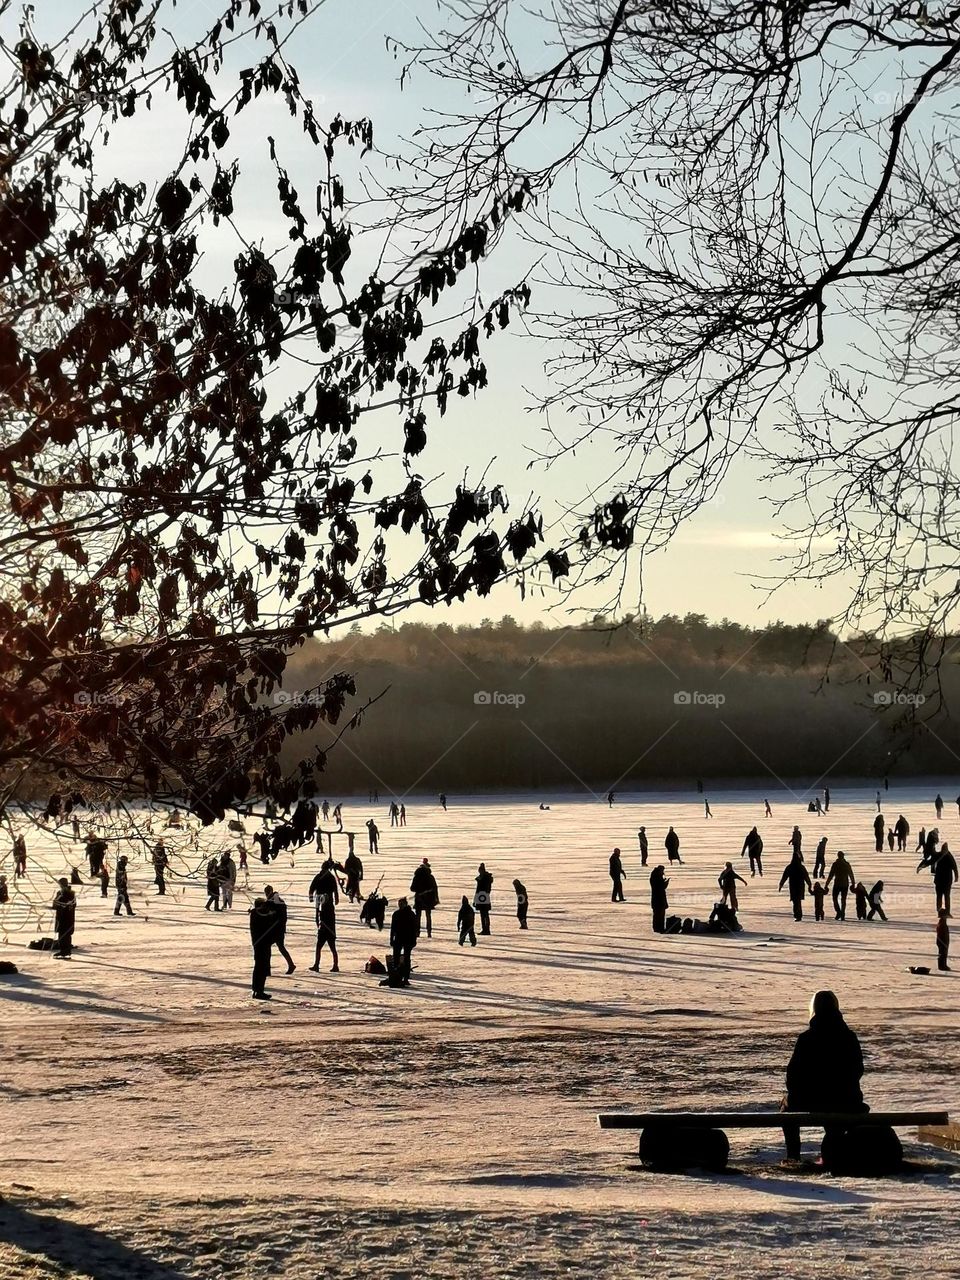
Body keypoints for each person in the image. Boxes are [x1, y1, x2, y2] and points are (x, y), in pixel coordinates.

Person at [781, 991, 866, 1161]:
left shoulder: (806, 1039)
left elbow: (793, 1075)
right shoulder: (849, 1037)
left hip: (811, 1099)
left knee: (786, 1108)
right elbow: (858, 1070)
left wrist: (802, 1091)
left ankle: (793, 1156)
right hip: (846, 1100)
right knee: (838, 1116)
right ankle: (834, 1152)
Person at [308, 860, 340, 972]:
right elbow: (336, 892)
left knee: (319, 945)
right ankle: (335, 965)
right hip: (329, 910)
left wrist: (311, 898)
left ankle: (317, 965)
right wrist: (336, 899)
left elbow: (311, 889)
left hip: (322, 909)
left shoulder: (319, 876)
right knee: (332, 945)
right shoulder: (331, 878)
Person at [249, 897, 278, 1000]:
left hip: (262, 944)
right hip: (261, 944)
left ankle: (258, 990)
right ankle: (258, 991)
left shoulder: (256, 914)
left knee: (261, 967)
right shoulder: (257, 915)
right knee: (260, 968)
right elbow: (268, 917)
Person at [264, 884, 296, 973]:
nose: (266, 895)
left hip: (276, 929)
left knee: (269, 947)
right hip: (279, 929)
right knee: (280, 947)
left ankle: (267, 968)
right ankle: (290, 964)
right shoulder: (278, 901)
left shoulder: (273, 902)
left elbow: (268, 912)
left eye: (266, 893)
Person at [390, 896, 418, 983]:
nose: (400, 905)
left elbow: (414, 929)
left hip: (407, 939)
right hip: (399, 939)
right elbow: (393, 928)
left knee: (405, 958)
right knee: (397, 958)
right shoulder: (397, 914)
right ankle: (397, 976)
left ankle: (405, 977)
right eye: (399, 904)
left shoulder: (410, 914)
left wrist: (414, 940)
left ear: (405, 904)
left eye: (401, 904)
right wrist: (391, 939)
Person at [410, 858, 439, 938]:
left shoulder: (416, 877)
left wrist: (419, 890)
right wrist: (436, 899)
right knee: (428, 915)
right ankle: (429, 932)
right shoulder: (430, 877)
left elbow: (412, 888)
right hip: (428, 898)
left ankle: (417, 932)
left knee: (418, 916)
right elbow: (435, 888)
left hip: (418, 898)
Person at [779, 854, 812, 922]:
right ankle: (798, 915)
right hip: (800, 886)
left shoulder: (790, 867)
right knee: (798, 901)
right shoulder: (801, 867)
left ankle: (797, 915)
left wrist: (781, 884)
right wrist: (809, 884)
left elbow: (784, 877)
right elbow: (806, 877)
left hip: (793, 886)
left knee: (795, 901)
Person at [825, 850, 856, 921]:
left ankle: (839, 912)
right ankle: (842, 914)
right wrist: (853, 884)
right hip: (845, 884)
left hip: (838, 884)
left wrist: (827, 884)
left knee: (835, 898)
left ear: (838, 856)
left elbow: (831, 875)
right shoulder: (846, 864)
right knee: (843, 900)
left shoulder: (835, 864)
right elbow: (851, 874)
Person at [52, 878, 76, 959]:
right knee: (65, 935)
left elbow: (57, 904)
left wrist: (56, 903)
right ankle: (65, 951)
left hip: (64, 918)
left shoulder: (65, 894)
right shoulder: (70, 894)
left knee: (64, 935)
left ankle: (64, 952)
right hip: (67, 918)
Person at [933, 843, 958, 916]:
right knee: (945, 897)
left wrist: (956, 876)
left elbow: (954, 867)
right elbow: (955, 867)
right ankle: (944, 911)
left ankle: (942, 911)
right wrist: (956, 876)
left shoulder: (943, 856)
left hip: (941, 881)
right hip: (945, 881)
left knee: (941, 897)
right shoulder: (948, 856)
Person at [474, 863, 493, 934]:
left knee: (484, 914)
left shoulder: (483, 878)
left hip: (482, 897)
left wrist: (476, 899)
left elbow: (478, 890)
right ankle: (486, 929)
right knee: (485, 914)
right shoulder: (485, 878)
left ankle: (486, 929)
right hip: (483, 897)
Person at [649, 865, 669, 934]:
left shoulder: (654, 876)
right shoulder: (657, 877)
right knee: (660, 915)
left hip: (656, 899)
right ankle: (660, 928)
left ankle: (656, 928)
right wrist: (666, 883)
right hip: (659, 899)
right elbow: (661, 887)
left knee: (656, 914)